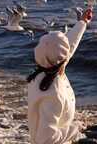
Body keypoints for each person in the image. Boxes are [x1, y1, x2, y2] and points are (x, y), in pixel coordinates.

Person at [27, 8, 93, 144]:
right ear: (63, 59)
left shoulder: (42, 73)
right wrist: (75, 129)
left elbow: (67, 47)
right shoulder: (53, 94)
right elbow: (45, 139)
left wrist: (82, 22)